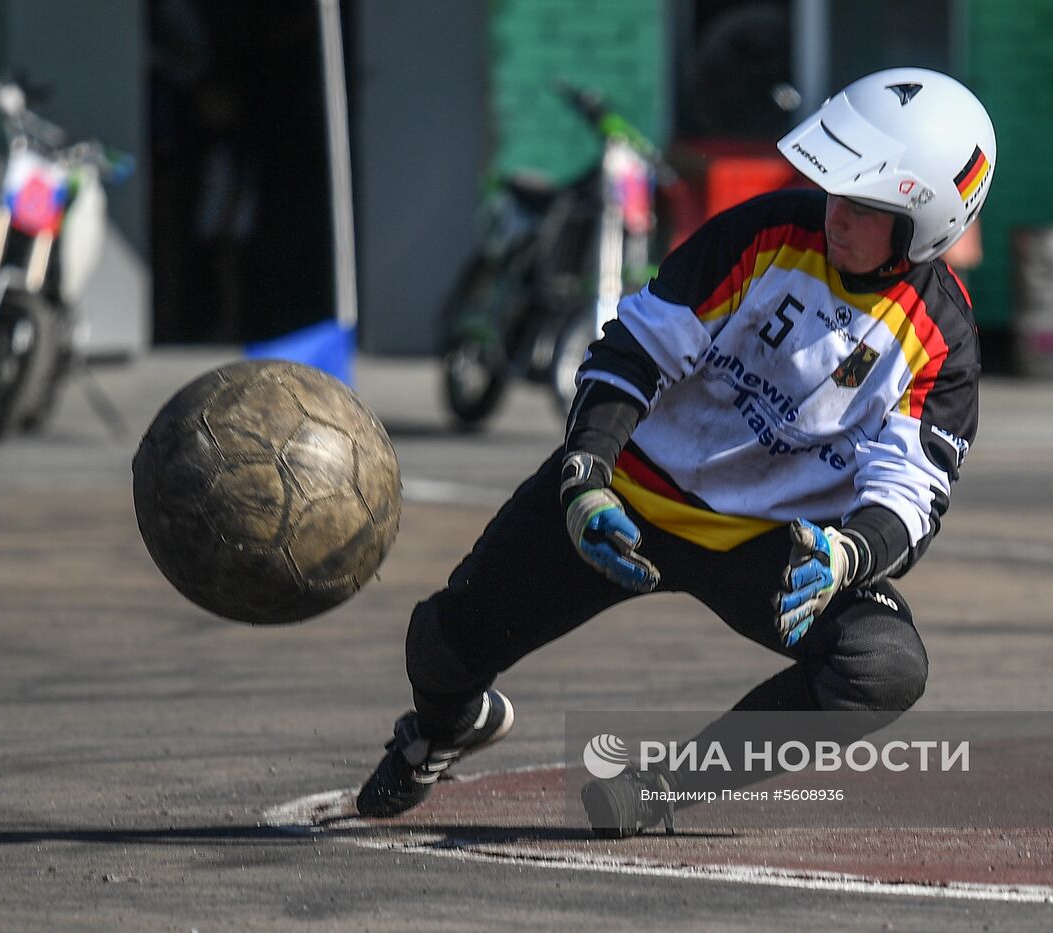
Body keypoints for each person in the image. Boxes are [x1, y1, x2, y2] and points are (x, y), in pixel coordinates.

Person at [356, 67, 996, 837]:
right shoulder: (764, 234)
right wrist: (585, 475)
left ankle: (660, 789)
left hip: (776, 544)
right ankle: (442, 728)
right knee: (441, 642)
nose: (837, 215)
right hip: (628, 495)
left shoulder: (943, 342)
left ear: (926, 223)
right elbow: (637, 347)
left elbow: (911, 491)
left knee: (883, 667)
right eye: (835, 190)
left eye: (864, 206)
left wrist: (848, 556)